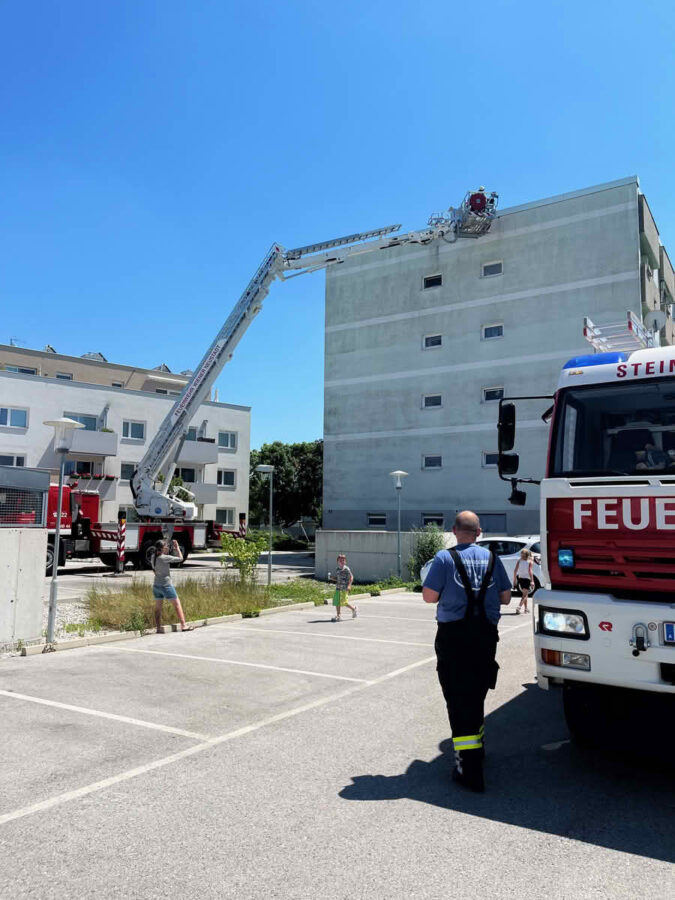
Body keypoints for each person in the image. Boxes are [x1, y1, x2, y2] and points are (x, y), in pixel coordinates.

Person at [422, 511, 511, 792]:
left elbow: (429, 596)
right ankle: (478, 746)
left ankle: (468, 768)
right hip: (485, 635)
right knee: (476, 690)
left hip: (454, 637)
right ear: (479, 532)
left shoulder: (444, 558)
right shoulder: (493, 559)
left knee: (457, 697)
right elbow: (506, 597)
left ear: (453, 531)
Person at [152, 539, 194, 633]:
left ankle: (158, 628)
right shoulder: (164, 557)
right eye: (166, 546)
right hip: (166, 585)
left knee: (158, 608)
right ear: (162, 548)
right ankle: (184, 625)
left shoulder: (153, 557)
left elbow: (154, 570)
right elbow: (180, 558)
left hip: (156, 586)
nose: (167, 547)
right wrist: (177, 548)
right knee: (177, 604)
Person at [329, 553, 357, 622]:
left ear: (345, 561)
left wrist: (349, 585)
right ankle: (338, 616)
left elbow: (351, 577)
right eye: (340, 560)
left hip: (344, 588)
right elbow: (338, 578)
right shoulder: (337, 569)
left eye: (343, 560)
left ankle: (353, 609)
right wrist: (332, 578)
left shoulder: (346, 569)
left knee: (344, 602)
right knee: (337, 602)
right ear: (337, 561)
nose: (341, 561)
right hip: (338, 588)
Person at [513, 548, 534, 614]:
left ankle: (526, 609)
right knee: (525, 595)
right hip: (526, 579)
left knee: (524, 594)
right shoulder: (530, 561)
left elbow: (515, 571)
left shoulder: (519, 561)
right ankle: (519, 607)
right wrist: (532, 581)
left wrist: (514, 579)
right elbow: (530, 571)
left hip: (520, 578)